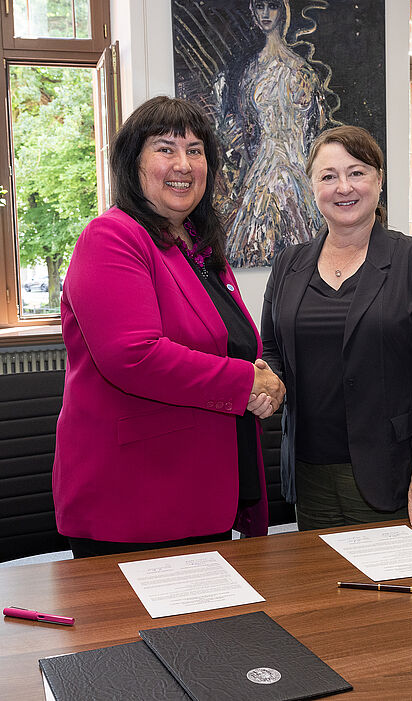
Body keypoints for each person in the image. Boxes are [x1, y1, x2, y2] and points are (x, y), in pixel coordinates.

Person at [53, 96, 284, 558]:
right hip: (136, 500)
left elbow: (229, 344)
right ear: (132, 163)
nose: (183, 163)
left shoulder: (197, 246)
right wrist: (246, 382)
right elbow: (133, 356)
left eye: (196, 150)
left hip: (201, 491)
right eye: (165, 148)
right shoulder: (112, 236)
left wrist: (266, 381)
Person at [261, 125, 412, 531]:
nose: (343, 187)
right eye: (328, 176)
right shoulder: (288, 264)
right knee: (326, 593)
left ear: (379, 180)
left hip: (397, 471)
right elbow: (272, 350)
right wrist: (270, 382)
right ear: (313, 186)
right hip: (309, 474)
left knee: (407, 591)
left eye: (356, 172)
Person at [215, 0, 334, 267]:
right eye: (259, 6)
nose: (266, 13)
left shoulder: (302, 71)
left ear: (283, 11)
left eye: (272, 6)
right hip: (262, 170)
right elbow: (243, 133)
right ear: (252, 12)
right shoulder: (249, 72)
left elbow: (315, 133)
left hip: (297, 170)